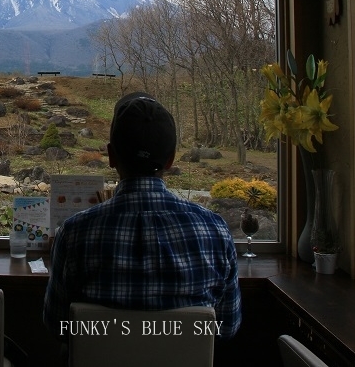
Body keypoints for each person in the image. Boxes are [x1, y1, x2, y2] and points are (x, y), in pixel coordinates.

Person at [43, 92, 241, 343]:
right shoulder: (215, 231)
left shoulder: (74, 233)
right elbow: (227, 328)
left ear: (111, 156)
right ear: (170, 160)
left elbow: (56, 325)